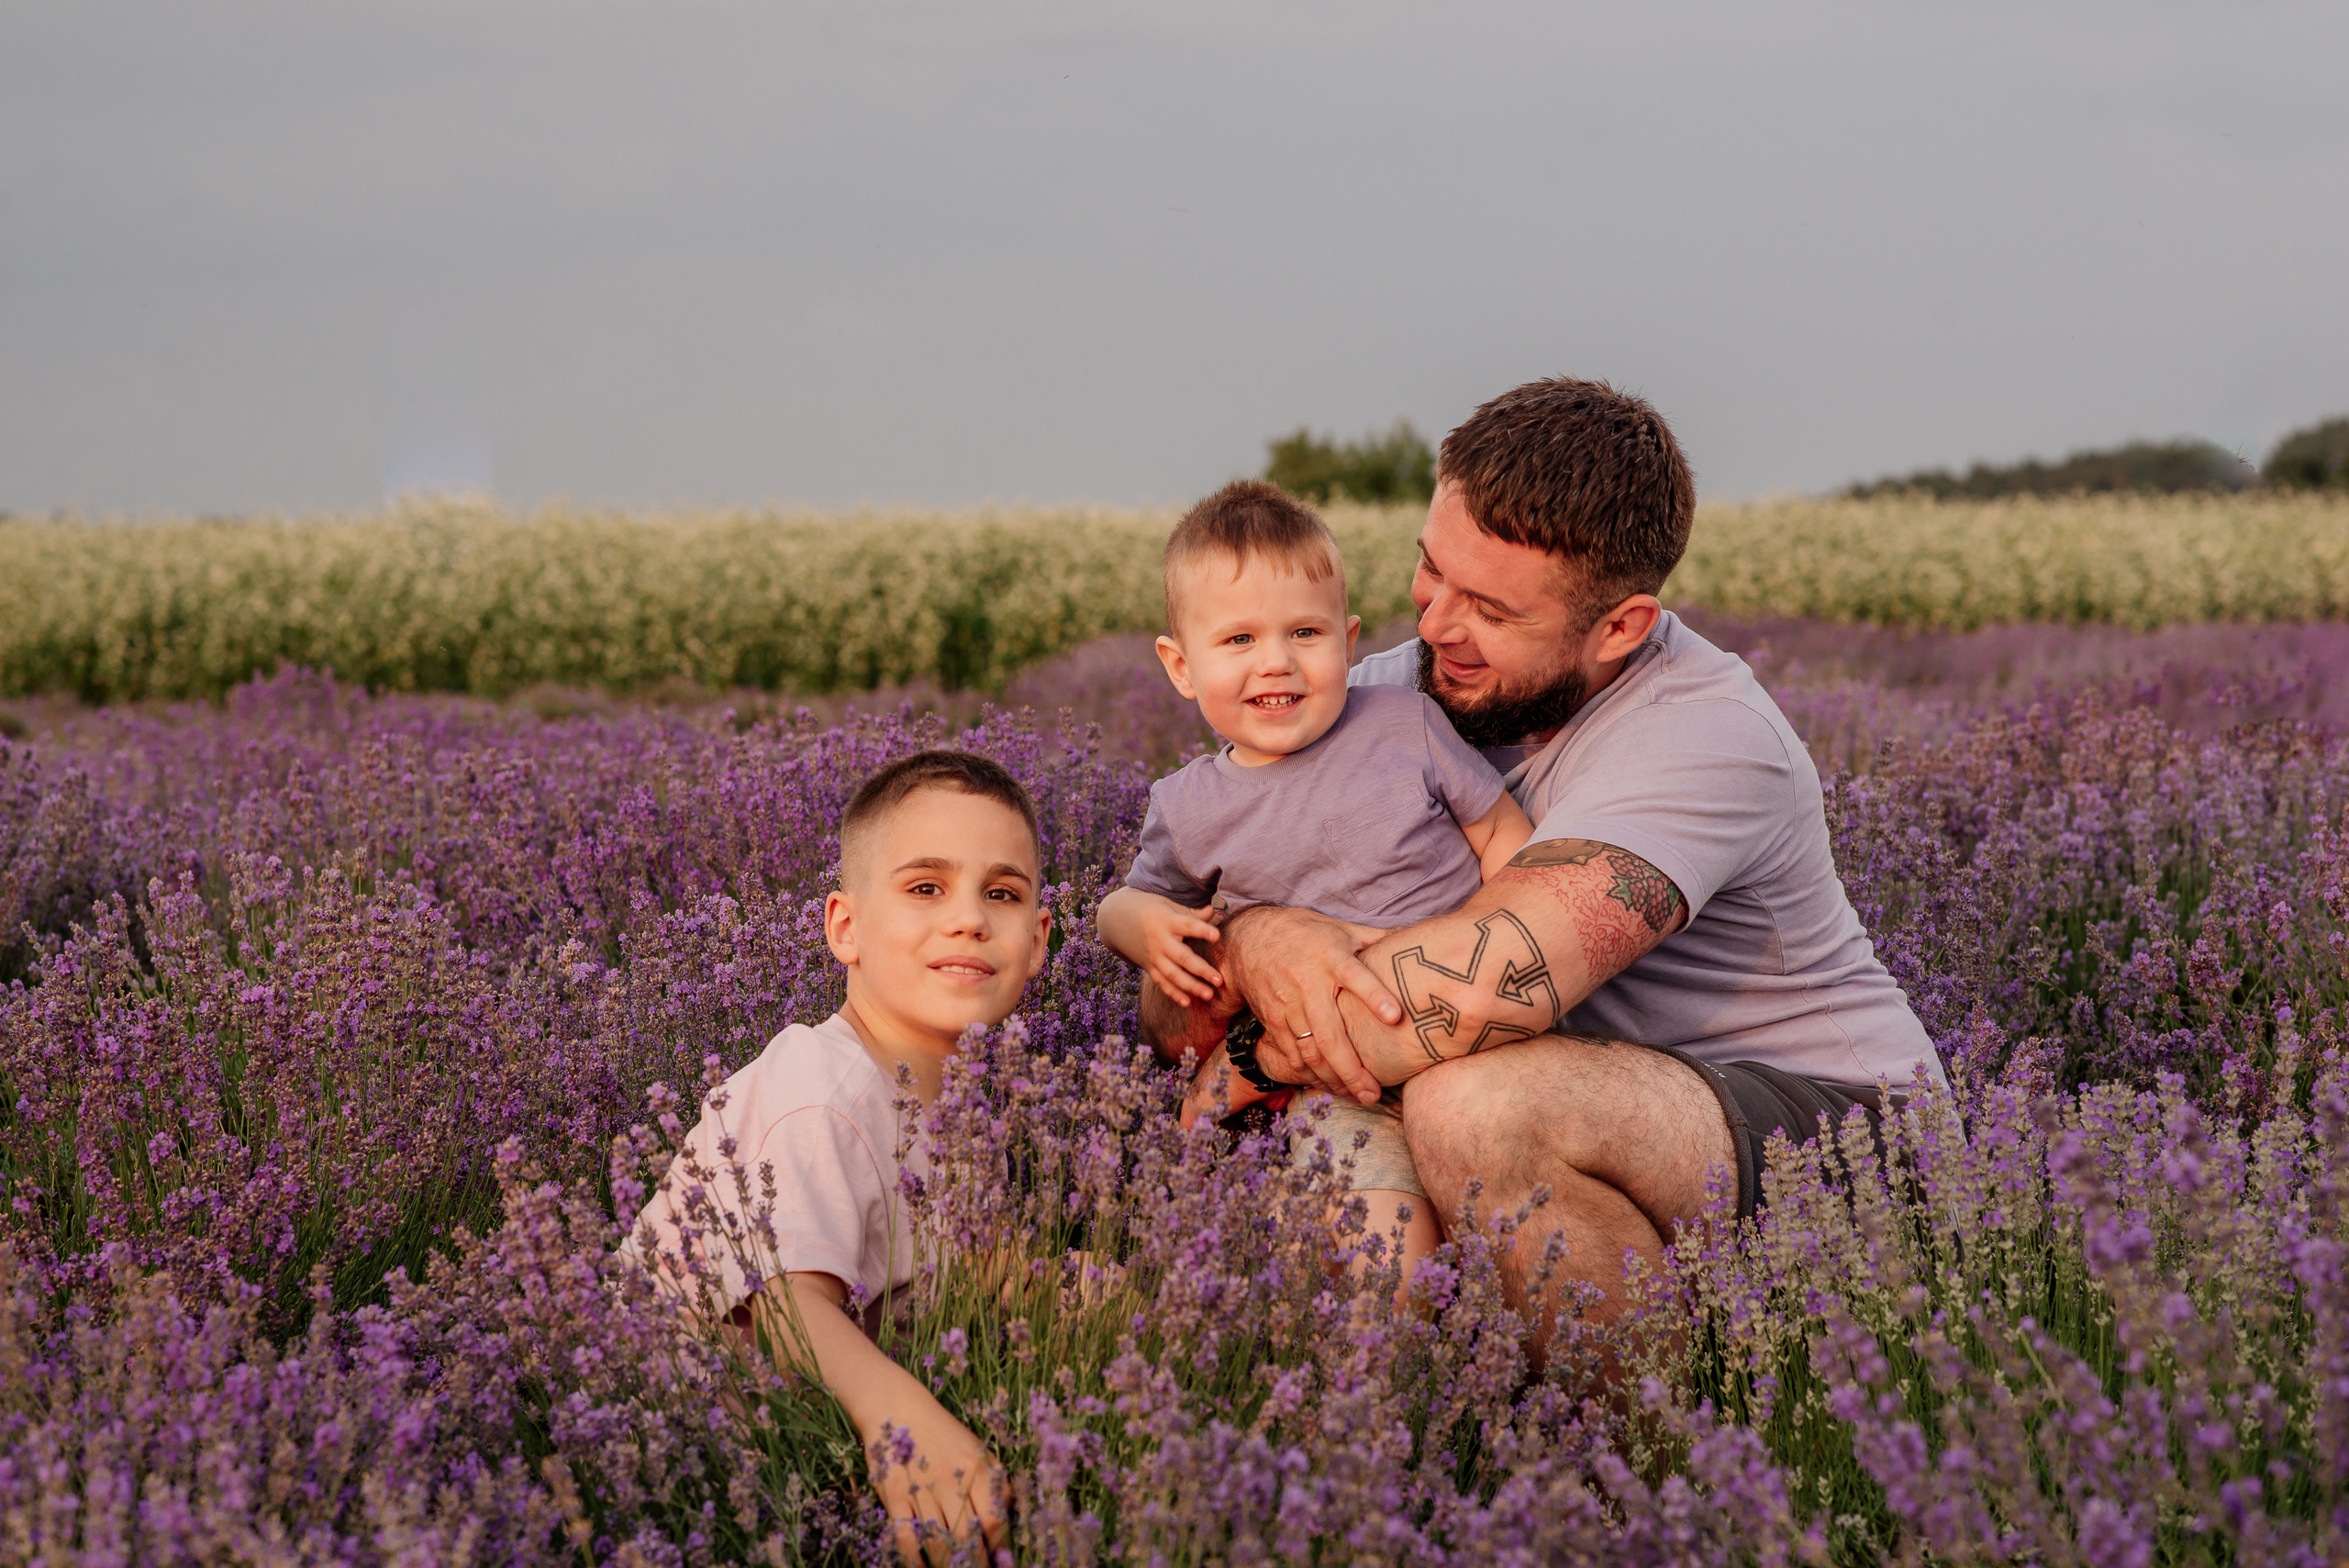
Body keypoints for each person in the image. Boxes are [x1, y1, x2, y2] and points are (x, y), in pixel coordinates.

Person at [1141, 378, 1943, 1357]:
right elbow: (1170, 1002)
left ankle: (1649, 1476)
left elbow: (1477, 992)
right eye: (1429, 571)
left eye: (1487, 607)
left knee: (1471, 1104)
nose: (1434, 624)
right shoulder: (1390, 698)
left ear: (1620, 627)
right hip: (1592, 1109)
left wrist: (1251, 1055)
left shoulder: (1705, 738)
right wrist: (1252, 930)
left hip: (1833, 1131)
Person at [1095, 480, 1532, 1292]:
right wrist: (1140, 926)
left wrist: (1504, 941)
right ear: (1179, 666)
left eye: (1305, 631)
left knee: (1514, 1252)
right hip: (1339, 1079)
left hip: (1469, 1038)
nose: (1277, 662)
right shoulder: (1189, 806)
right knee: (1383, 1253)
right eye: (1238, 640)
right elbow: (1123, 905)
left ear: (1348, 637)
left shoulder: (1407, 723)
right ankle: (1381, 1399)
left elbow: (1504, 838)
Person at [622, 749, 1051, 1559]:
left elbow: (964, 1269)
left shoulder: (961, 1111)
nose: (968, 918)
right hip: (662, 1460)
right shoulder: (820, 1085)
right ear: (844, 927)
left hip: (780, 1460)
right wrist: (907, 1419)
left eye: (1002, 893)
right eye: (926, 888)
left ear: (1038, 939)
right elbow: (783, 1305)